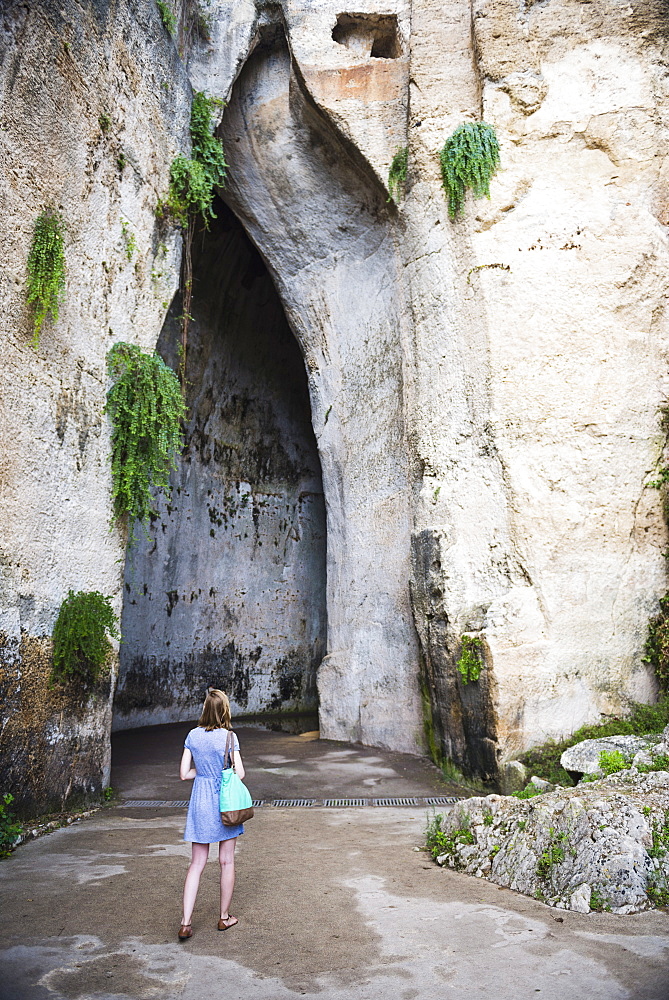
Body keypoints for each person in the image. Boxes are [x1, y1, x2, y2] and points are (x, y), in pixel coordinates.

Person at [178, 687, 246, 940]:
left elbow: (184, 773)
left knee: (196, 864)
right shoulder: (229, 737)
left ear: (205, 709)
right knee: (226, 861)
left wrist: (203, 774)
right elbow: (239, 773)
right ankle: (224, 917)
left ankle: (186, 922)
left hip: (200, 802)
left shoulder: (192, 736)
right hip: (224, 802)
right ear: (225, 710)